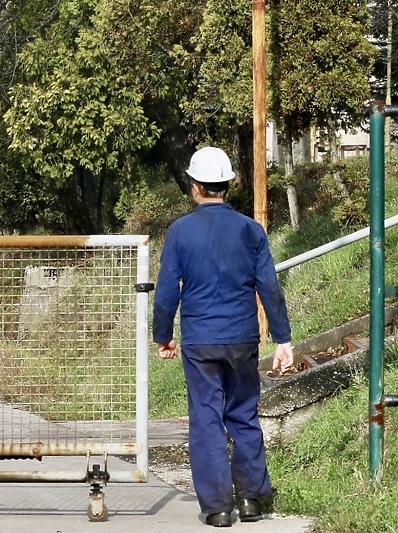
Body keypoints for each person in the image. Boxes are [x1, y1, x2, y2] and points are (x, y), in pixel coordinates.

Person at [153, 146, 294, 528]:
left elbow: (167, 290)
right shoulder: (251, 230)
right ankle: (250, 500)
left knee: (206, 419)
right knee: (244, 414)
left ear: (195, 186)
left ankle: (217, 508)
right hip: (242, 338)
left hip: (200, 341)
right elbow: (269, 287)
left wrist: (162, 335)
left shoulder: (180, 231)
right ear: (228, 185)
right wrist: (283, 339)